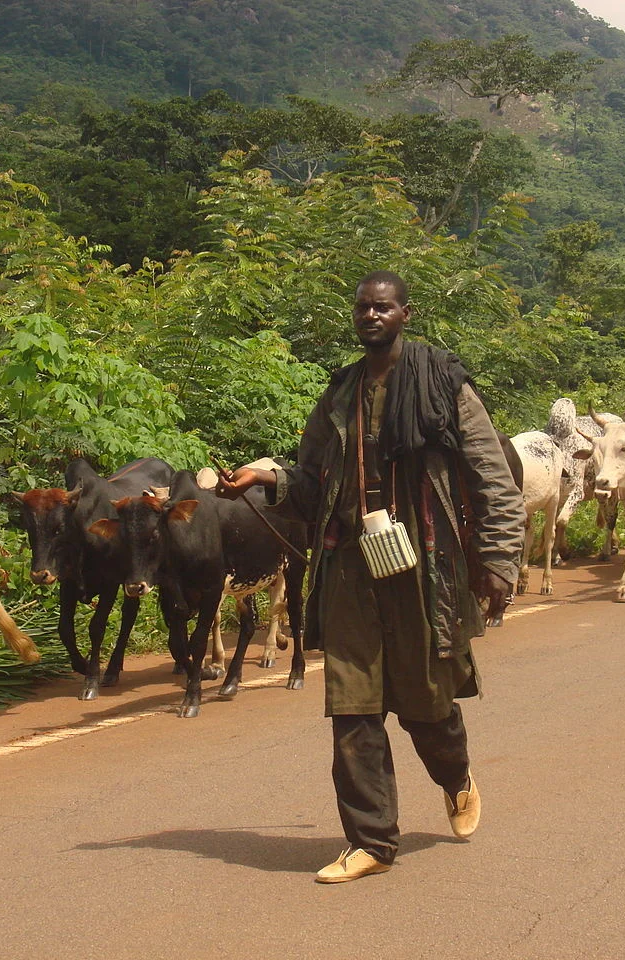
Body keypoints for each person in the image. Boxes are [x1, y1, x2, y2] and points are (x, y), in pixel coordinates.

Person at [217, 270, 524, 883]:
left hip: (425, 567)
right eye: (362, 308)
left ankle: (455, 775)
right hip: (355, 565)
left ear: (405, 313)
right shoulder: (339, 394)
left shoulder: (444, 384)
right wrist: (267, 478)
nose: (371, 316)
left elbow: (494, 480)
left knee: (427, 707)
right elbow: (309, 481)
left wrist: (497, 561)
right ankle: (371, 842)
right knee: (353, 707)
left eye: (383, 307)